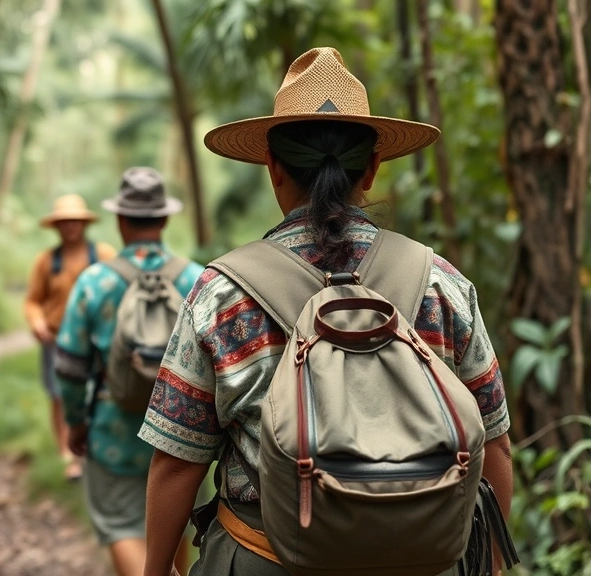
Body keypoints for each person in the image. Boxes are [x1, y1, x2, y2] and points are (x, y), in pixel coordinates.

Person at [139, 47, 513, 576]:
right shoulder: (440, 282)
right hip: (424, 562)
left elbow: (177, 462)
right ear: (372, 168)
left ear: (273, 167)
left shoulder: (224, 295)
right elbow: (493, 442)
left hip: (263, 557)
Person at [54, 167, 204, 576]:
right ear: (165, 218)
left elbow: (68, 368)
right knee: (176, 529)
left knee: (121, 526)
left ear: (120, 220)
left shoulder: (95, 281)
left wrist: (76, 423)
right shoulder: (196, 278)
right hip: (183, 434)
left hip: (112, 428)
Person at [24, 194, 117, 481]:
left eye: (75, 221)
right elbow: (33, 301)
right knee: (58, 395)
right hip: (56, 341)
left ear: (83, 224)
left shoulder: (103, 255)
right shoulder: (46, 261)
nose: (70, 227)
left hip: (95, 341)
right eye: (64, 222)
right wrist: (37, 323)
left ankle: (91, 451)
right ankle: (68, 454)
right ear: (57, 226)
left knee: (94, 393)